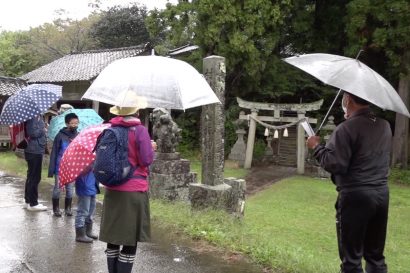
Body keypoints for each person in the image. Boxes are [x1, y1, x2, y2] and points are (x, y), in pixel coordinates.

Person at [306, 92, 392, 273]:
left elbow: (335, 163)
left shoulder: (347, 128)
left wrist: (316, 147)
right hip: (381, 194)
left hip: (356, 196)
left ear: (348, 100)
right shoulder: (384, 126)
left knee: (351, 259)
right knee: (375, 256)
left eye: (344, 98)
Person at [99, 106, 154, 273]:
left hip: (113, 189)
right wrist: (152, 148)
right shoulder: (140, 131)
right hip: (133, 191)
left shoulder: (111, 130)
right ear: (137, 112)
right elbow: (145, 160)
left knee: (114, 236)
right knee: (130, 239)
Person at [48, 113, 79, 217]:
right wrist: (51, 169)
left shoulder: (78, 135)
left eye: (76, 123)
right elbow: (54, 152)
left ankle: (68, 208)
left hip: (72, 166)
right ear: (67, 123)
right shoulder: (60, 135)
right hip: (60, 166)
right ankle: (56, 209)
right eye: (72, 123)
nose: (74, 125)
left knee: (70, 188)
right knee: (57, 188)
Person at [24, 115, 48, 211]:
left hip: (35, 149)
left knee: (31, 176)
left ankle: (28, 201)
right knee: (35, 177)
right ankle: (33, 203)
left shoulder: (36, 116)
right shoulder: (33, 117)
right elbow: (32, 133)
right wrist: (43, 129)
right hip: (34, 150)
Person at [74, 170, 100, 243]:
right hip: (84, 185)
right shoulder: (81, 161)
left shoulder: (92, 159)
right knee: (83, 211)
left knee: (91, 211)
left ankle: (88, 231)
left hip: (92, 186)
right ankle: (80, 234)